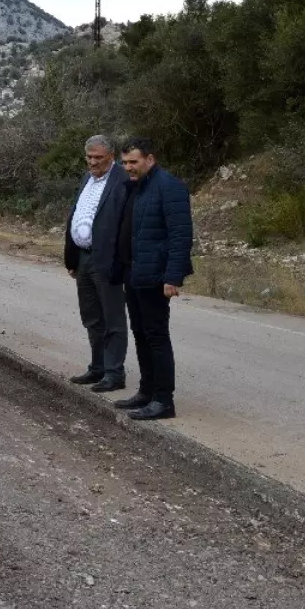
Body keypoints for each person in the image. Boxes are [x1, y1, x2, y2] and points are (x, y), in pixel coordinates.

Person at [112, 136, 194, 420]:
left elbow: (180, 235)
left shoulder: (169, 187)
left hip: (156, 275)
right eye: (124, 163)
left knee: (157, 337)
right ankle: (146, 391)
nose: (129, 167)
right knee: (140, 333)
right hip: (134, 273)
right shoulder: (135, 187)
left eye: (133, 162)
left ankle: (163, 400)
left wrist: (173, 276)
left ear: (150, 159)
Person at [64, 134, 129, 393]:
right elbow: (75, 217)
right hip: (84, 257)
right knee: (91, 316)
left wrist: (122, 259)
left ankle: (115, 373)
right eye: (89, 157)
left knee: (112, 317)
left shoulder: (121, 180)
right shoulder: (87, 179)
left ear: (111, 157)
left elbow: (126, 223)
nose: (93, 162)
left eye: (98, 158)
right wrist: (72, 259)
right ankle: (98, 367)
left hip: (108, 259)